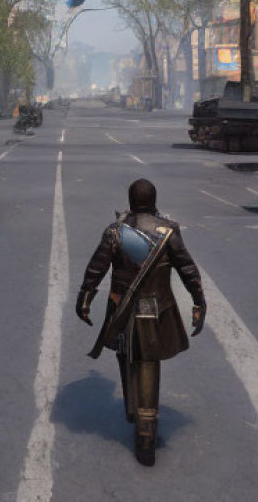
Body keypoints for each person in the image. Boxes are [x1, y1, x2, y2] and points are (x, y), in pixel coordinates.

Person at [76, 178, 206, 466]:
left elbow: (96, 267)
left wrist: (84, 297)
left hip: (121, 309)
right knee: (149, 363)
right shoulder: (168, 231)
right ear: (153, 200)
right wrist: (199, 300)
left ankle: (139, 419)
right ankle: (145, 428)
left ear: (131, 200)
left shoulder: (115, 232)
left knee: (128, 358)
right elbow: (187, 268)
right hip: (156, 310)